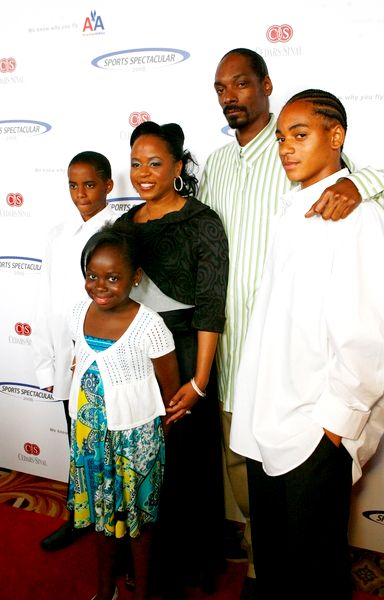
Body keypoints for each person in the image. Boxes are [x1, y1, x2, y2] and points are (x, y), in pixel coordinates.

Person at [198, 48, 384, 600]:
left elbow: (362, 336)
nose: (286, 147)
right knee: (279, 560)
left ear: (336, 137)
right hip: (267, 416)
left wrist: (334, 426)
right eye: (283, 137)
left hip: (315, 427)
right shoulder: (293, 207)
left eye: (301, 135)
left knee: (315, 569)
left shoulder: (353, 211)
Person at [116, 121, 229, 599]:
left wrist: (200, 381)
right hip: (137, 356)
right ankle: (144, 562)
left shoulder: (201, 221)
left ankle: (189, 566)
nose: (143, 173)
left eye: (155, 163)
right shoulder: (124, 227)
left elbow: (210, 303)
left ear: (178, 166)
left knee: (185, 465)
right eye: (137, 164)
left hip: (186, 355)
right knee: (144, 461)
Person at [67, 221, 180, 600]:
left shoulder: (150, 325)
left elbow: (170, 389)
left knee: (138, 523)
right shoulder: (78, 312)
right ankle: (105, 589)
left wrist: (157, 433)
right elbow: (79, 364)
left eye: (112, 277)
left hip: (135, 442)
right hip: (90, 438)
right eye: (92, 275)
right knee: (100, 520)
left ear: (135, 278)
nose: (99, 286)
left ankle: (143, 590)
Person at [32, 151, 118, 552]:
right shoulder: (57, 234)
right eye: (73, 184)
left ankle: (113, 527)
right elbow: (47, 299)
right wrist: (46, 356)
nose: (80, 193)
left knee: (105, 444)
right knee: (75, 443)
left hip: (98, 356)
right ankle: (77, 516)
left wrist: (88, 350)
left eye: (89, 184)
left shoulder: (118, 230)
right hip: (63, 355)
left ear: (108, 186)